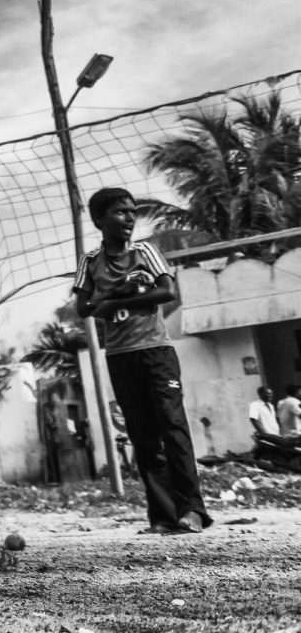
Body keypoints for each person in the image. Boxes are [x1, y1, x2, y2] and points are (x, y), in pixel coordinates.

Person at [74, 187, 211, 535]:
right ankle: (164, 516)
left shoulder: (145, 252)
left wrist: (121, 298)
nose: (129, 218)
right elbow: (84, 307)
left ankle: (192, 510)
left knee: (173, 428)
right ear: (99, 220)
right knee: (144, 437)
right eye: (120, 212)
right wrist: (106, 298)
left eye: (132, 212)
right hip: (120, 356)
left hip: (156, 351)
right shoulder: (91, 262)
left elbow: (167, 292)